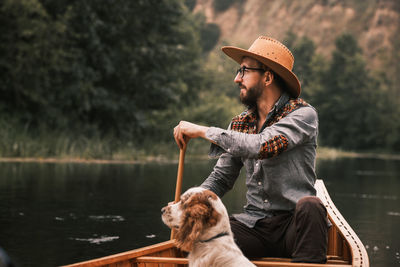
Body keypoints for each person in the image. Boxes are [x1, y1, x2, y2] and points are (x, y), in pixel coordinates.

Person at [173, 36, 328, 263]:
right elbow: (221, 178)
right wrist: (188, 202)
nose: (237, 79)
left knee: (311, 206)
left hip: (294, 227)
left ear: (267, 77)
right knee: (204, 238)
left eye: (244, 71)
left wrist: (202, 131)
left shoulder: (303, 115)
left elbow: (262, 145)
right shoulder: (240, 124)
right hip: (254, 226)